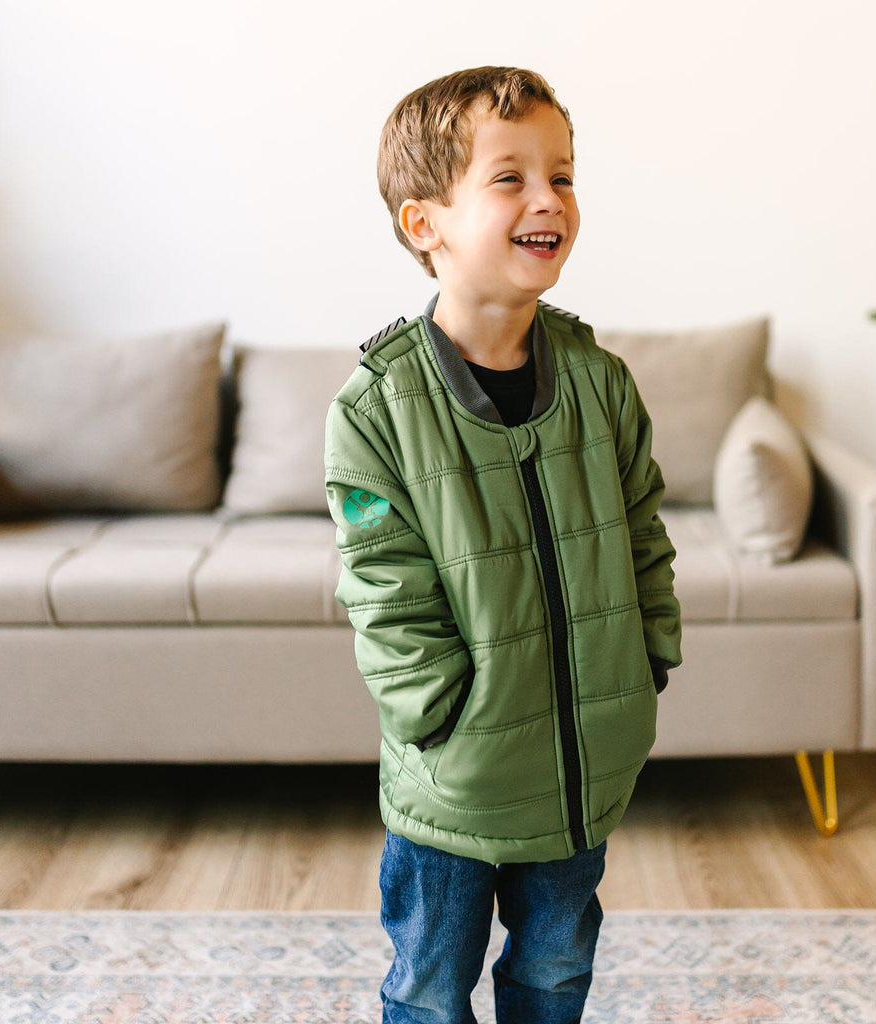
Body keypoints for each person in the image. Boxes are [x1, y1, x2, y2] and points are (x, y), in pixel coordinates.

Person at [325, 66, 682, 1024]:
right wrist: (440, 715)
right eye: (510, 177)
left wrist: (645, 658)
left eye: (562, 176)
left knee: (557, 972)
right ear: (424, 223)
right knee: (432, 987)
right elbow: (382, 587)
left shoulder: (601, 383)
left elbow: (645, 527)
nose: (548, 200)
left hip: (580, 773)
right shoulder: (377, 411)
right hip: (456, 783)